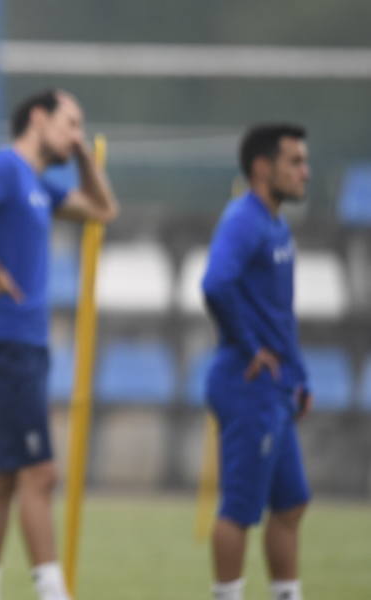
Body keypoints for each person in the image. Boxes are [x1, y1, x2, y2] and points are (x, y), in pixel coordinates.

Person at [0, 89, 118, 600]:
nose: (77, 133)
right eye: (71, 124)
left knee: (3, 470)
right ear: (39, 118)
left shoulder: (38, 183)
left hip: (26, 344)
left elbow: (103, 209)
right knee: (41, 470)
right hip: (3, 339)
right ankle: (52, 589)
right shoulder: (4, 167)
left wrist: (80, 154)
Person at [201, 123, 313, 600]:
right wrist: (251, 348)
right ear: (263, 168)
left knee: (291, 503)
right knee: (241, 509)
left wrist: (299, 375)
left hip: (276, 386)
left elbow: (278, 313)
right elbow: (215, 283)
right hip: (247, 383)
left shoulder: (276, 222)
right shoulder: (244, 219)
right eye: (295, 162)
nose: (306, 172)